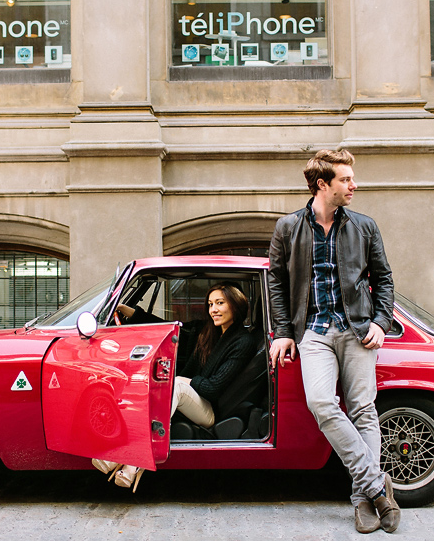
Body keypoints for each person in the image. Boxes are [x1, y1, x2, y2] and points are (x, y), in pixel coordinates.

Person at [267, 148, 399, 534]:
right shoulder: (287, 227)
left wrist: (380, 320)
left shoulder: (365, 226)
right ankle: (377, 486)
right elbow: (277, 282)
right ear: (323, 185)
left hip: (358, 330)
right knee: (321, 403)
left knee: (363, 410)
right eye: (345, 180)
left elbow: (384, 279)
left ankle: (362, 500)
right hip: (315, 332)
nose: (353, 185)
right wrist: (284, 332)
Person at [93, 282, 256, 492]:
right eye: (210, 304)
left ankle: (131, 457)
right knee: (152, 383)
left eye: (220, 303)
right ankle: (124, 454)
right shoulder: (209, 332)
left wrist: (186, 380)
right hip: (196, 399)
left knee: (176, 384)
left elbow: (214, 388)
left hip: (212, 410)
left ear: (236, 304)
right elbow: (167, 326)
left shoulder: (244, 341)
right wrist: (129, 312)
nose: (213, 309)